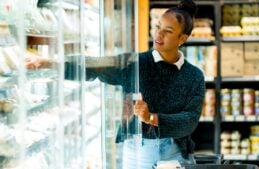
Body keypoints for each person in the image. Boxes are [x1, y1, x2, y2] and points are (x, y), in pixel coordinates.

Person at [26, 0, 205, 168]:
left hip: (169, 150)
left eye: (168, 31)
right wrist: (50, 63)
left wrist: (152, 118)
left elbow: (190, 120)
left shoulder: (194, 76)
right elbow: (94, 65)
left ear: (182, 39)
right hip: (132, 146)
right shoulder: (134, 62)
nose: (159, 34)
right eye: (158, 27)